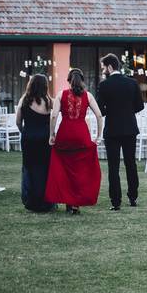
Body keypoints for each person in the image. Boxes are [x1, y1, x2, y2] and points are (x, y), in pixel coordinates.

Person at [45, 69, 103, 215]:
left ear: (69, 80)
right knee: (80, 170)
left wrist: (52, 134)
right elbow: (99, 115)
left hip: (65, 134)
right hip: (81, 135)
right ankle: (76, 204)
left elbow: (53, 116)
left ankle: (69, 203)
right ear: (82, 80)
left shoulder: (61, 95)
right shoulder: (88, 96)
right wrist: (99, 135)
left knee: (64, 169)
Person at [97, 53, 144, 211]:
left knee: (113, 166)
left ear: (110, 67)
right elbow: (140, 106)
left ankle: (115, 201)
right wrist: (127, 111)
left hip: (112, 130)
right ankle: (133, 197)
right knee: (131, 163)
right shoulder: (132, 83)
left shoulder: (104, 85)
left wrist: (111, 110)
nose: (103, 70)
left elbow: (100, 110)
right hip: (130, 128)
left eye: (104, 67)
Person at [15, 74, 55, 212]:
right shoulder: (50, 102)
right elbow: (56, 118)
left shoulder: (24, 100)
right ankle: (46, 202)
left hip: (28, 139)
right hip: (44, 140)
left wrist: (24, 132)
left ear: (30, 84)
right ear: (45, 86)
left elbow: (18, 122)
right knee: (45, 170)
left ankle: (31, 201)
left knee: (29, 168)